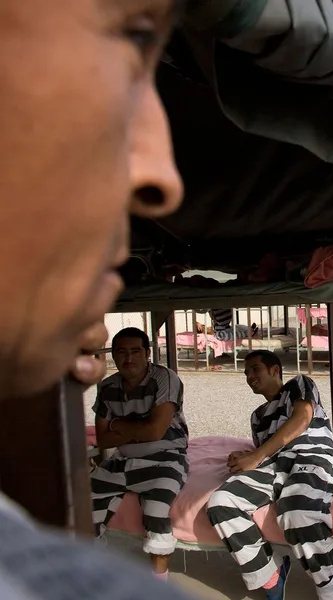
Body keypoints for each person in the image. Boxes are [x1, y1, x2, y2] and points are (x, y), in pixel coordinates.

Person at [0, 1, 197, 598]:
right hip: (129, 460)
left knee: (159, 496)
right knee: (100, 495)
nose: (162, 175)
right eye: (134, 38)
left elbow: (143, 430)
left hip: (156, 459)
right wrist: (127, 435)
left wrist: (125, 434)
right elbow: (114, 435)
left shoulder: (156, 381)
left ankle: (159, 559)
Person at [206, 350, 333, 600]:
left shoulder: (298, 385)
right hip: (276, 465)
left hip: (312, 456)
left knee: (297, 512)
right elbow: (267, 450)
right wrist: (248, 456)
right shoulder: (257, 417)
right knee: (220, 502)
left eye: (255, 369)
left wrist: (257, 455)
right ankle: (270, 574)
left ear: (275, 370)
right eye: (246, 373)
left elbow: (303, 418)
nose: (249, 376)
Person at [91, 327, 190, 579]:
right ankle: (92, 571)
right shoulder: (107, 386)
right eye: (121, 352)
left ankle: (159, 584)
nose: (128, 359)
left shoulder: (165, 378)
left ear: (148, 353)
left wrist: (119, 425)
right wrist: (139, 429)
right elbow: (102, 439)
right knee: (83, 507)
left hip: (165, 456)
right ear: (113, 355)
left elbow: (156, 431)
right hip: (122, 460)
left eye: (136, 352)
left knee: (157, 512)